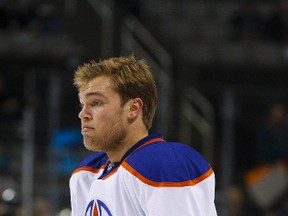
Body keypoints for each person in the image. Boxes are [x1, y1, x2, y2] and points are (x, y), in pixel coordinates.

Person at [69, 56, 217, 215]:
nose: (82, 114)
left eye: (96, 103)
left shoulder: (165, 164)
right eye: (82, 104)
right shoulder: (85, 175)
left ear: (133, 108)